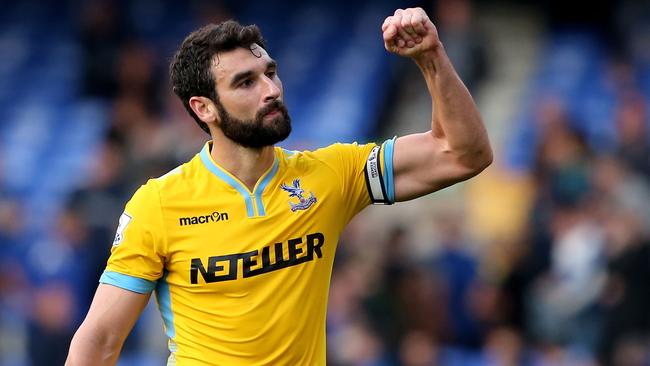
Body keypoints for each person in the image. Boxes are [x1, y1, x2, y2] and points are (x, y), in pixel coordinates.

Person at [66, 7, 492, 365]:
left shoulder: (330, 175)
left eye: (270, 73)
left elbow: (463, 154)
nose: (271, 90)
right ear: (204, 108)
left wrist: (431, 57)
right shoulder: (158, 204)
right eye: (246, 82)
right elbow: (100, 339)